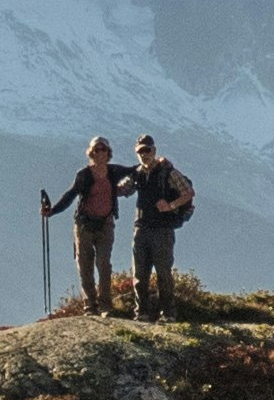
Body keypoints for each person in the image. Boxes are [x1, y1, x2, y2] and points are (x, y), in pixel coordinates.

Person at [42, 131, 128, 314]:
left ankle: (105, 305)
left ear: (108, 153)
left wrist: (158, 162)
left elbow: (135, 170)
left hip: (106, 223)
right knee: (85, 265)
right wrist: (53, 211)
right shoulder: (84, 175)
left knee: (104, 264)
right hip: (84, 225)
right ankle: (90, 306)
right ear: (91, 153)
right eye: (97, 150)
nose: (100, 153)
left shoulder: (114, 171)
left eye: (103, 149)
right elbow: (71, 194)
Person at [130, 128, 195, 319]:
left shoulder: (168, 172)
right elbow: (121, 189)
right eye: (141, 151)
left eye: (147, 150)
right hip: (141, 228)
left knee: (163, 274)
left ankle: (168, 313)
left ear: (154, 150)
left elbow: (188, 192)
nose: (144, 155)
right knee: (139, 275)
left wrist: (171, 205)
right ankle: (141, 313)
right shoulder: (137, 174)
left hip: (162, 230)